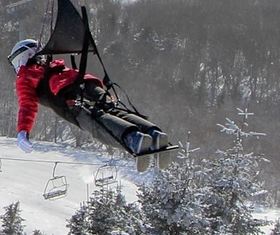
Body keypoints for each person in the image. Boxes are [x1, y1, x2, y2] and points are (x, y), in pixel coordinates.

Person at [9, 38, 168, 156]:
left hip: (67, 98)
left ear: (21, 57)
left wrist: (23, 131)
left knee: (97, 123)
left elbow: (27, 105)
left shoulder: (26, 77)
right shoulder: (53, 65)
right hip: (89, 84)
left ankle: (133, 138)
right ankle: (153, 133)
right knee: (114, 110)